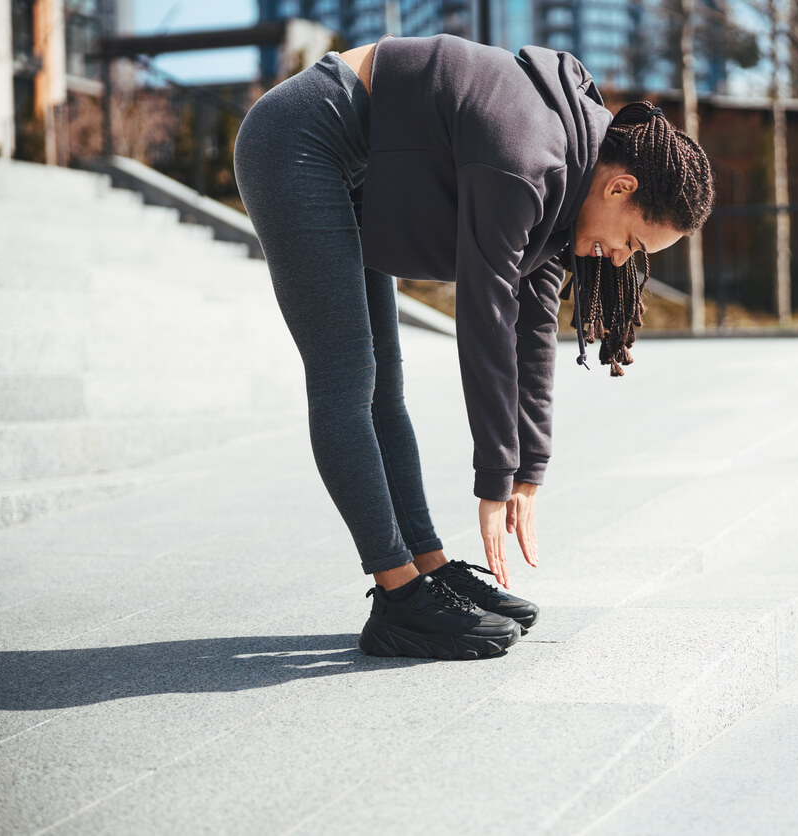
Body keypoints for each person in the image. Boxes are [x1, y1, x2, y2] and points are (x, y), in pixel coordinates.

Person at [233, 33, 714, 661]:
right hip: (299, 141)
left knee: (386, 385)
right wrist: (494, 475)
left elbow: (535, 321)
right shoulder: (526, 157)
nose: (624, 260)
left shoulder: (573, 185)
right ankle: (399, 597)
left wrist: (529, 469)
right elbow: (485, 315)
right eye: (634, 244)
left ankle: (426, 567)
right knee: (347, 379)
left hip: (366, 168)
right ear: (620, 189)